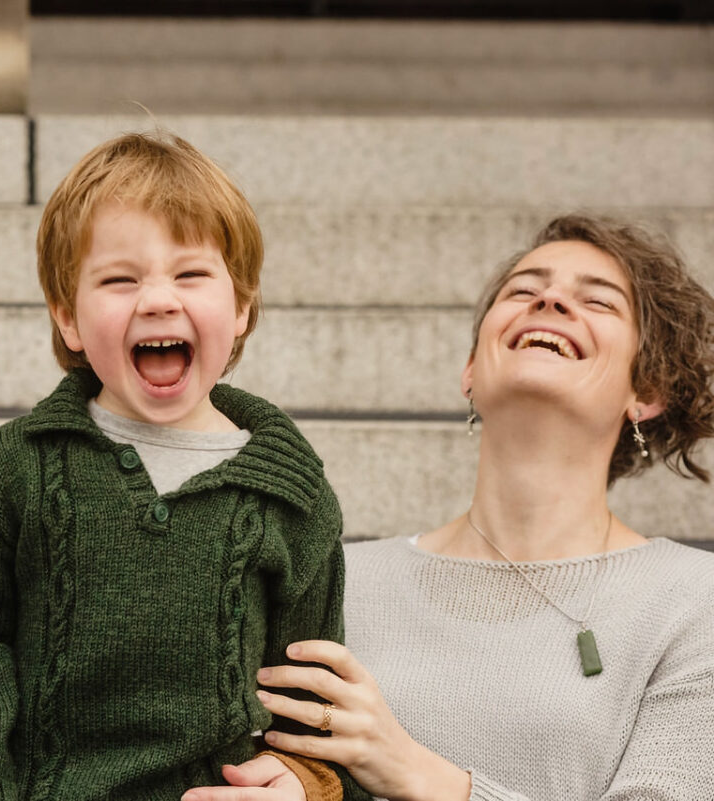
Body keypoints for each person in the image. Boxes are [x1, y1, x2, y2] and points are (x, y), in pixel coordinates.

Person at [0, 132, 367, 801]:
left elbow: (316, 701)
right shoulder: (17, 468)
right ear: (68, 317)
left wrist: (304, 784)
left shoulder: (291, 495)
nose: (158, 298)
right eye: (120, 279)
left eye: (190, 274)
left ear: (240, 307)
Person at [196, 213, 714, 800]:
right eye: (524, 290)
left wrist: (425, 777)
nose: (549, 299)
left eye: (598, 302)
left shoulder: (694, 601)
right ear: (470, 371)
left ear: (647, 391)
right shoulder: (342, 576)